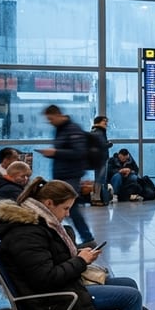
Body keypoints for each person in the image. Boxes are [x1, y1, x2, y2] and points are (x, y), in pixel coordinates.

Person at [0, 178, 144, 310]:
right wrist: (81, 261)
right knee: (132, 297)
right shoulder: (27, 233)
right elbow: (46, 278)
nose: (68, 214)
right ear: (49, 203)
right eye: (65, 208)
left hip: (61, 290)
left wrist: (78, 256)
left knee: (129, 283)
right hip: (52, 304)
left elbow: (46, 261)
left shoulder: (36, 224)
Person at [38, 105, 95, 247]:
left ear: (58, 115)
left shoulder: (72, 129)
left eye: (50, 119)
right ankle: (79, 238)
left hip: (71, 176)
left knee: (71, 208)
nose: (50, 122)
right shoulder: (61, 129)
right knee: (68, 208)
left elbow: (79, 153)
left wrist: (55, 153)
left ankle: (87, 239)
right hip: (63, 175)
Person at [89, 116, 112, 204]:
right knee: (100, 178)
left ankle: (97, 197)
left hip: (98, 158)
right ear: (98, 122)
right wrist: (109, 144)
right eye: (104, 121)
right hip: (100, 159)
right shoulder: (99, 132)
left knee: (99, 178)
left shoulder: (95, 131)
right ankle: (97, 198)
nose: (106, 123)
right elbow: (101, 145)